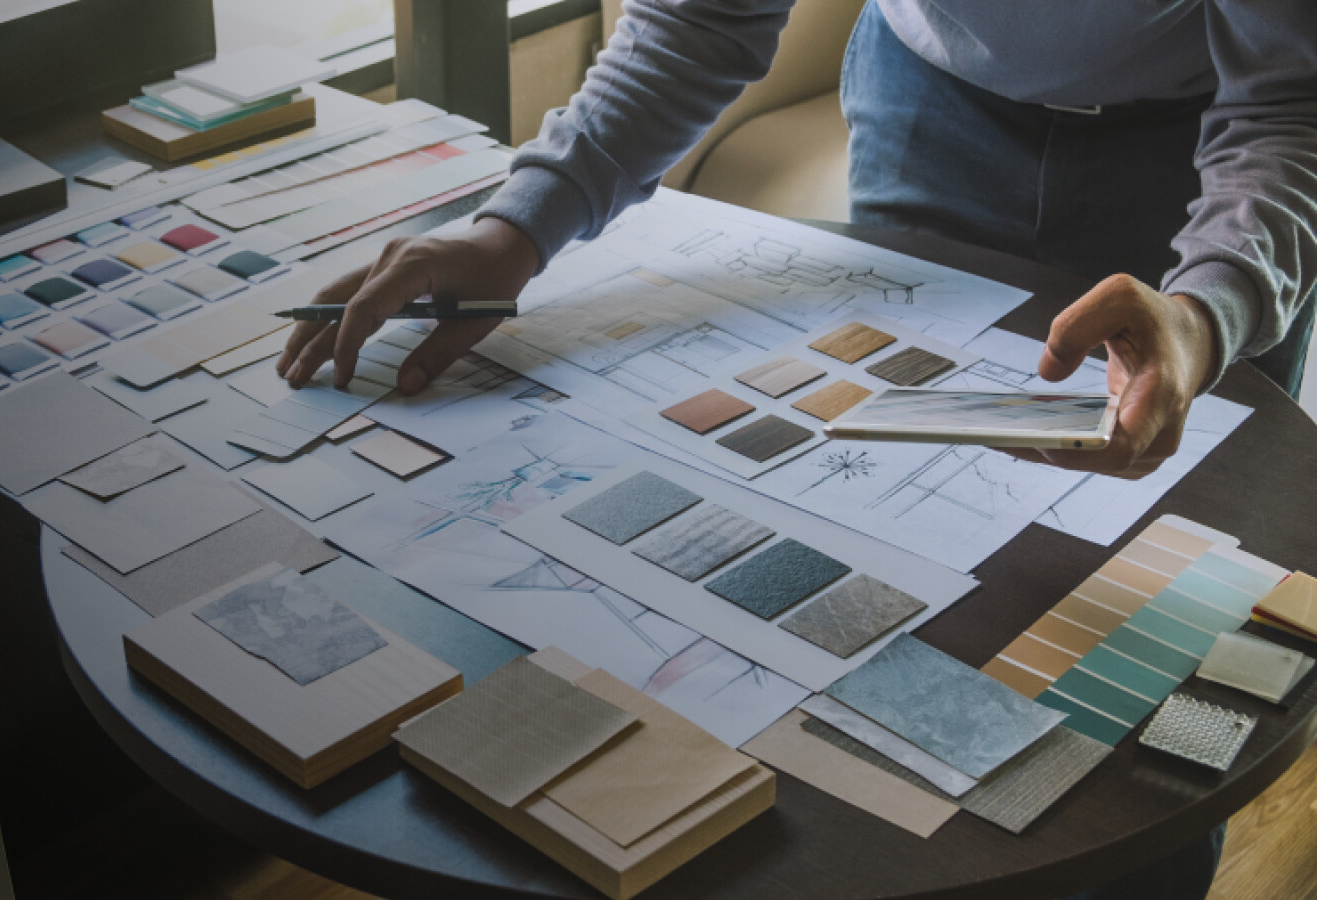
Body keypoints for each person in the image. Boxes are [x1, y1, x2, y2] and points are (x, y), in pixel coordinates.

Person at [279, 2, 1313, 894]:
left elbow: (1290, 99)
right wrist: (517, 229)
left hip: (1200, 144)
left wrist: (1207, 311)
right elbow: (701, 18)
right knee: (913, 572)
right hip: (932, 100)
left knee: (1157, 667)